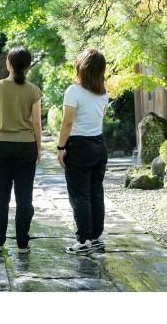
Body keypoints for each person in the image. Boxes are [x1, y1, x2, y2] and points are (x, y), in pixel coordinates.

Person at [0, 46, 42, 254]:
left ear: (9, 64)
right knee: (24, 196)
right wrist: (39, 148)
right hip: (26, 146)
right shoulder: (33, 90)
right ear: (28, 66)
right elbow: (36, 124)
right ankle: (22, 243)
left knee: (0, 196)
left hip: (2, 145)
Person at [56, 48, 109, 254]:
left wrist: (61, 148)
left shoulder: (73, 91)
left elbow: (68, 122)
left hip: (79, 147)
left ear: (81, 67)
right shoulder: (104, 93)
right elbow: (99, 117)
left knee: (80, 195)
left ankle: (83, 241)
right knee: (96, 192)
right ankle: (95, 238)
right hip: (99, 145)